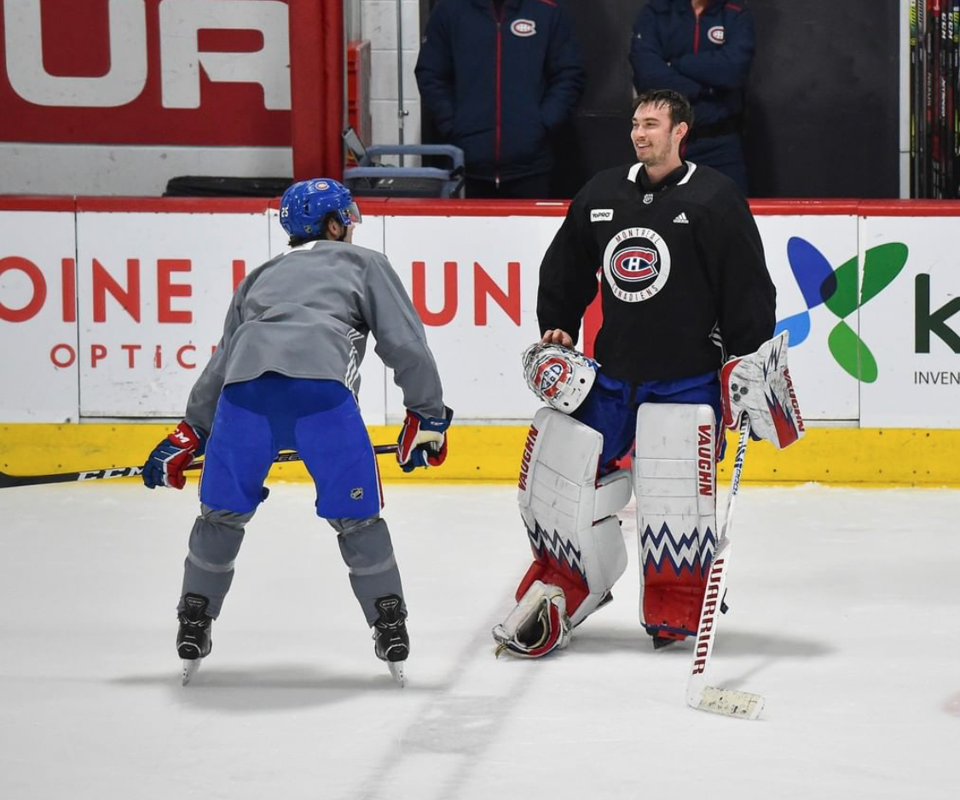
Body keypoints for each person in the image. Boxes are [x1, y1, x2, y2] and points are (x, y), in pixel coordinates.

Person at [492, 89, 790, 659]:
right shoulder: (603, 192)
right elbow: (567, 264)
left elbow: (748, 287)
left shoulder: (714, 198)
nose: (639, 133)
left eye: (652, 124)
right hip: (615, 372)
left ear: (681, 132)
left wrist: (745, 361)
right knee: (559, 472)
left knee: (674, 491)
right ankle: (565, 582)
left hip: (686, 376)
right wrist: (557, 324)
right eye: (635, 123)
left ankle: (679, 595)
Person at [141, 178, 452, 686]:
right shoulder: (365, 263)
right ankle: (388, 621)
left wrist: (189, 433)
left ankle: (195, 617)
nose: (351, 226)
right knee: (359, 521)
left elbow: (222, 364)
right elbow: (407, 347)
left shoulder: (259, 276)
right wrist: (427, 416)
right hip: (321, 400)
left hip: (244, 400)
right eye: (346, 218)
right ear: (333, 224)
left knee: (219, 516)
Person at [415, 0, 584, 199]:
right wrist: (453, 124)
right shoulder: (449, 9)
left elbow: (569, 75)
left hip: (531, 168)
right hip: (466, 168)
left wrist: (542, 124)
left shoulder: (546, 10)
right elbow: (430, 74)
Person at [629, 0, 756, 194]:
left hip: (718, 143)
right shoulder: (655, 13)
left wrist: (675, 64)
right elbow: (648, 75)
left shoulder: (734, 15)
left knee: (728, 216)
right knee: (658, 218)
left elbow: (733, 69)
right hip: (663, 144)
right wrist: (708, 89)